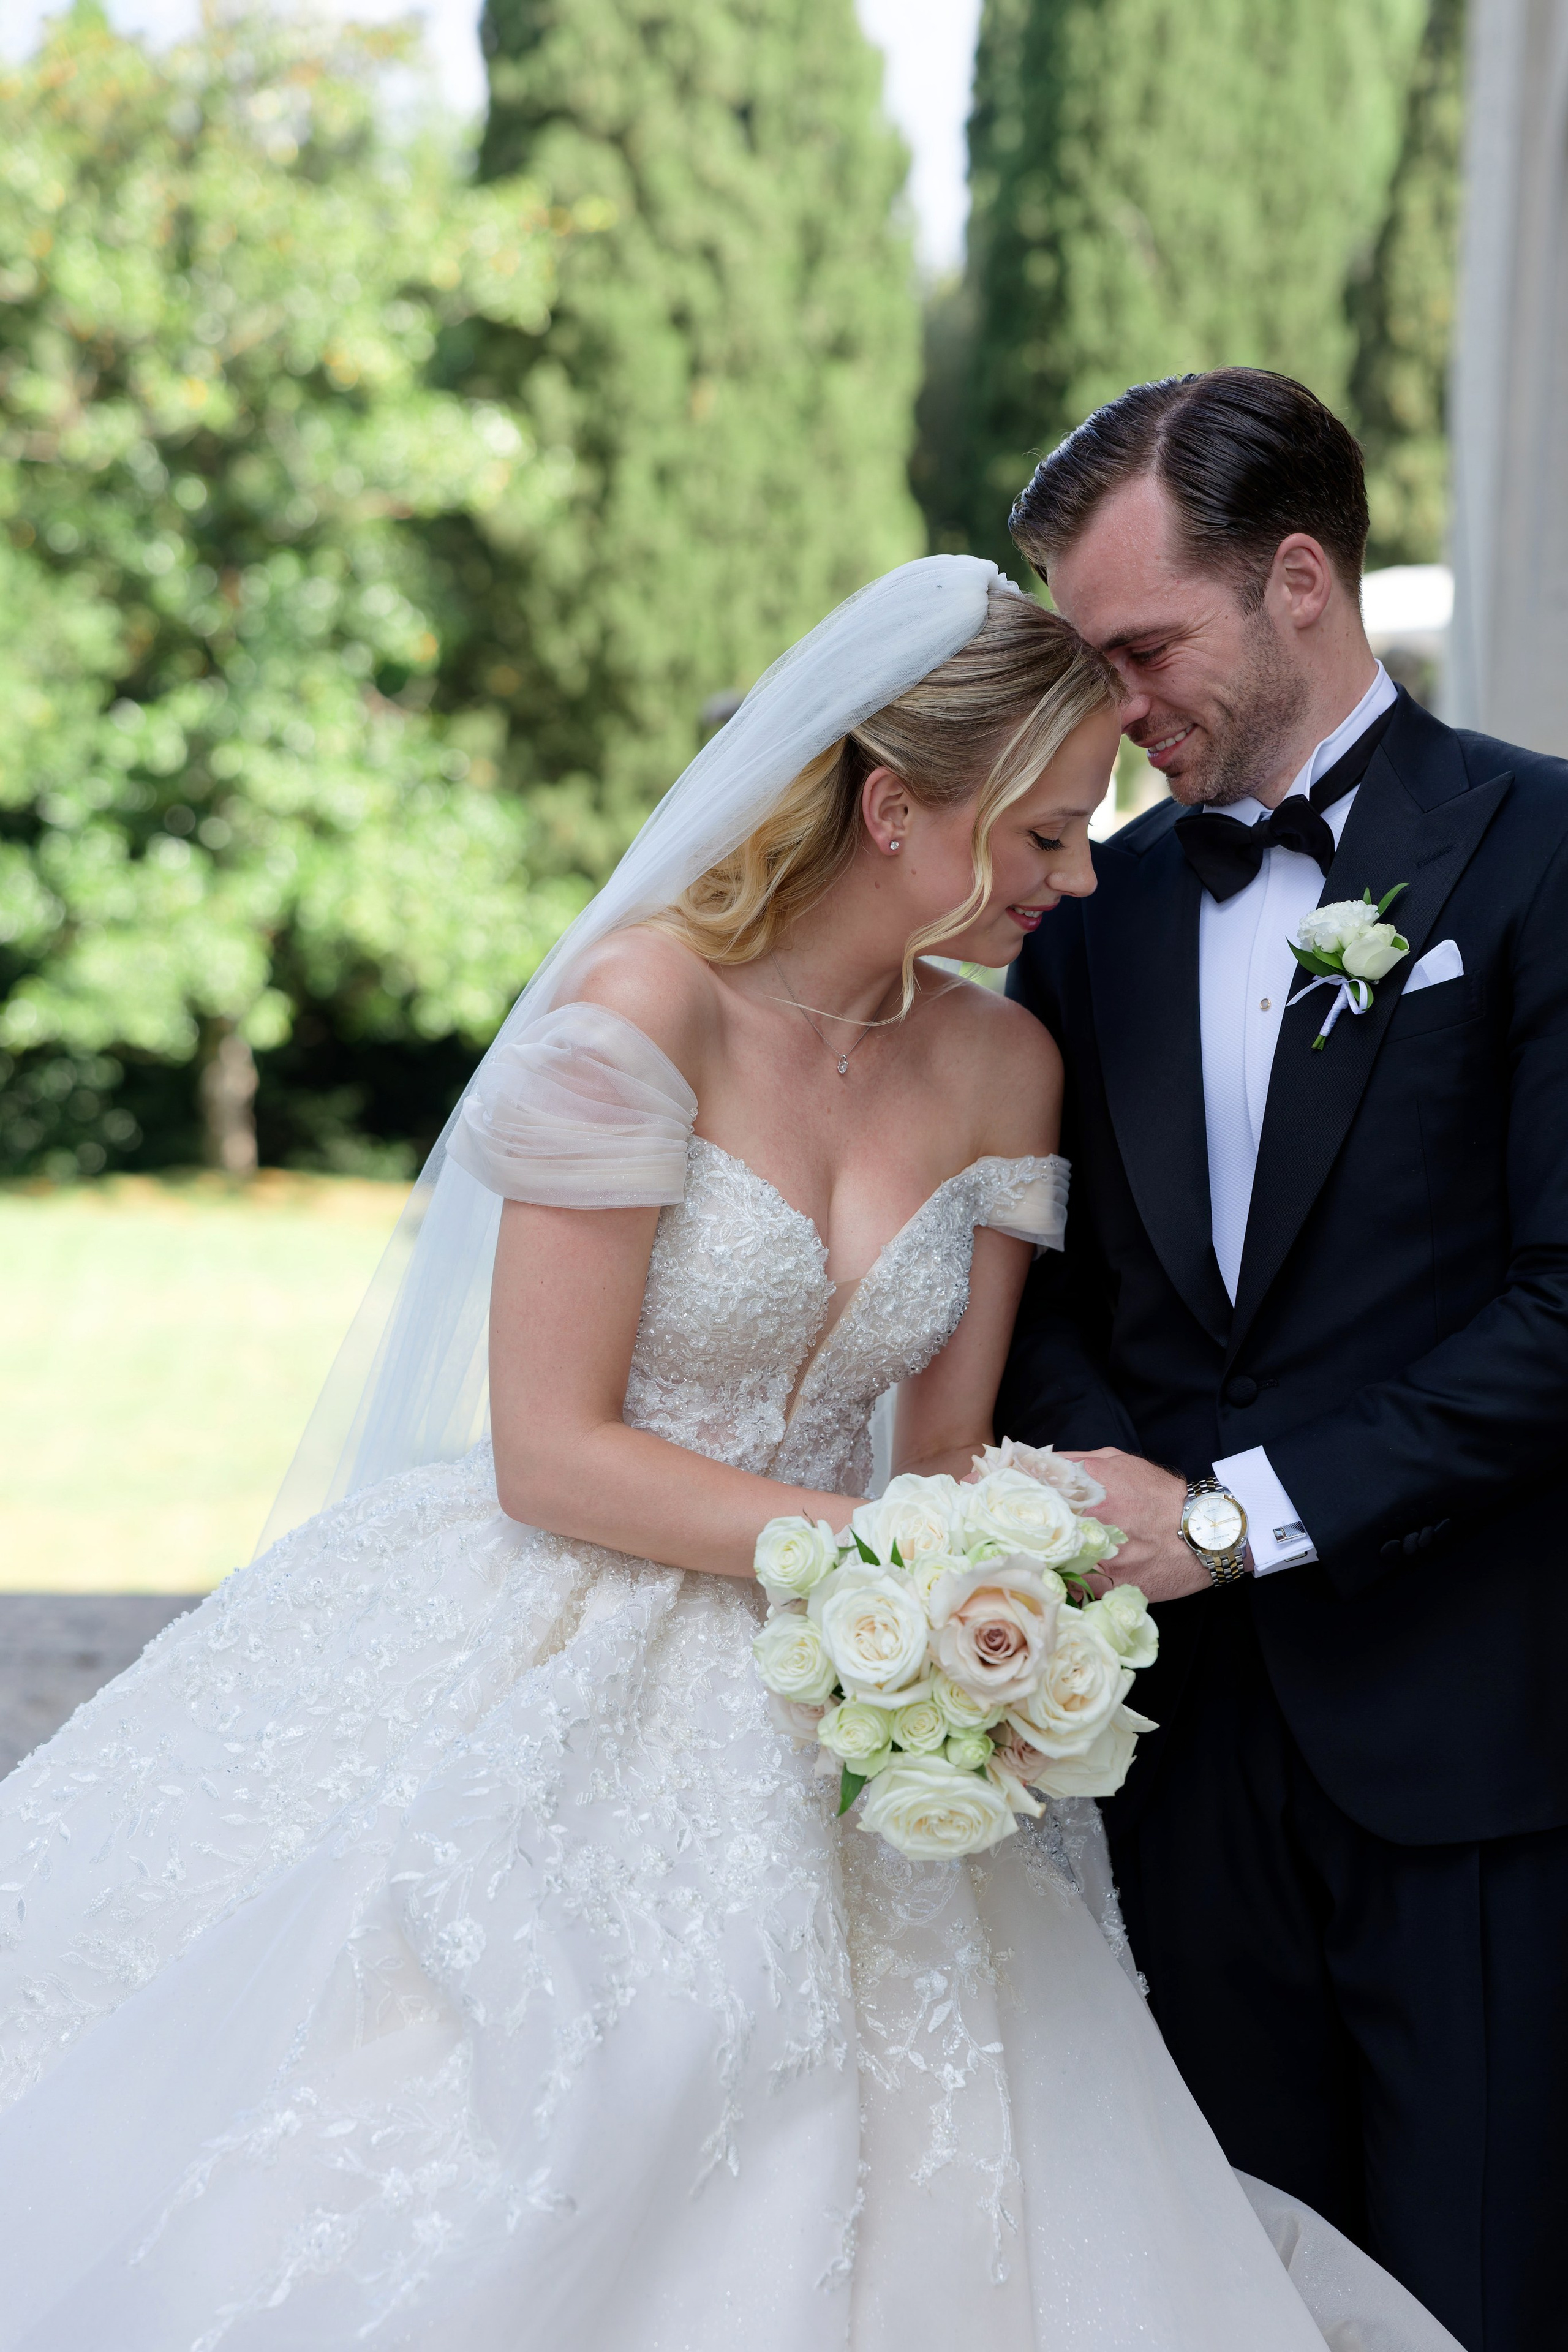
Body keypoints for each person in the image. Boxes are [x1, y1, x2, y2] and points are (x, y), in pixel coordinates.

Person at [0, 560, 1454, 2350]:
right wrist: (876, 1559)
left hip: (857, 1680)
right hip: (565, 1628)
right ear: (895, 806)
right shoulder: (643, 1010)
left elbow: (944, 1447)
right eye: (1048, 837)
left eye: (1089, 840)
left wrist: (969, 1595)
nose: (1077, 882)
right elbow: (550, 1452)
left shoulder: (1005, 1065)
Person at [999, 368, 1568, 2352]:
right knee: (1215, 2291)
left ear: (1301, 580)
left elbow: (1565, 1311)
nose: (1110, 706)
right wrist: (1111, 1502)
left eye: (1141, 647)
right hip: (1167, 1754)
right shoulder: (1087, 906)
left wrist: (1242, 1518)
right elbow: (1038, 1283)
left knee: (1476, 2289)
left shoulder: (1541, 850)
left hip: (1470, 1749)